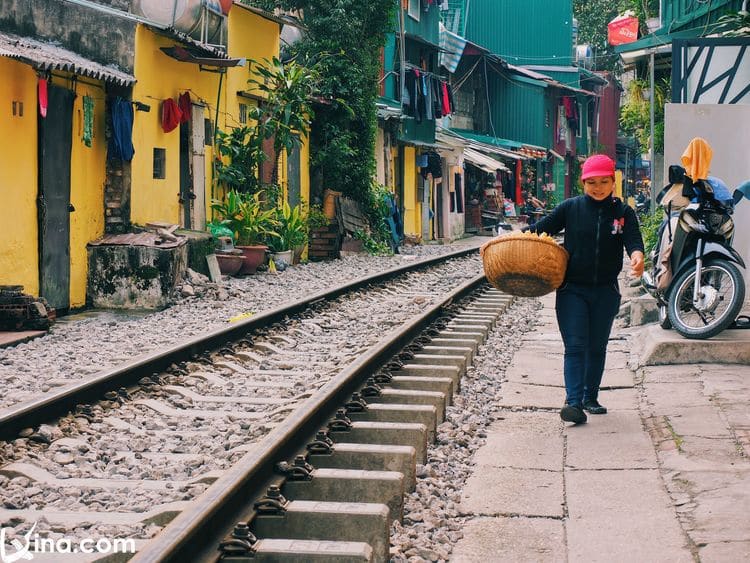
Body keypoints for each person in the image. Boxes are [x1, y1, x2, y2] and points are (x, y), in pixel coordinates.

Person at [523, 155, 644, 424]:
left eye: (604, 181)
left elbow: (634, 240)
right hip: (572, 289)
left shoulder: (623, 213)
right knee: (575, 346)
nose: (598, 187)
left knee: (597, 346)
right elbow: (538, 231)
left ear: (613, 182)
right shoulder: (570, 208)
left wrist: (637, 255)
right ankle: (574, 402)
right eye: (591, 182)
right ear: (583, 183)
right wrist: (513, 236)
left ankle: (591, 397)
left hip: (606, 290)